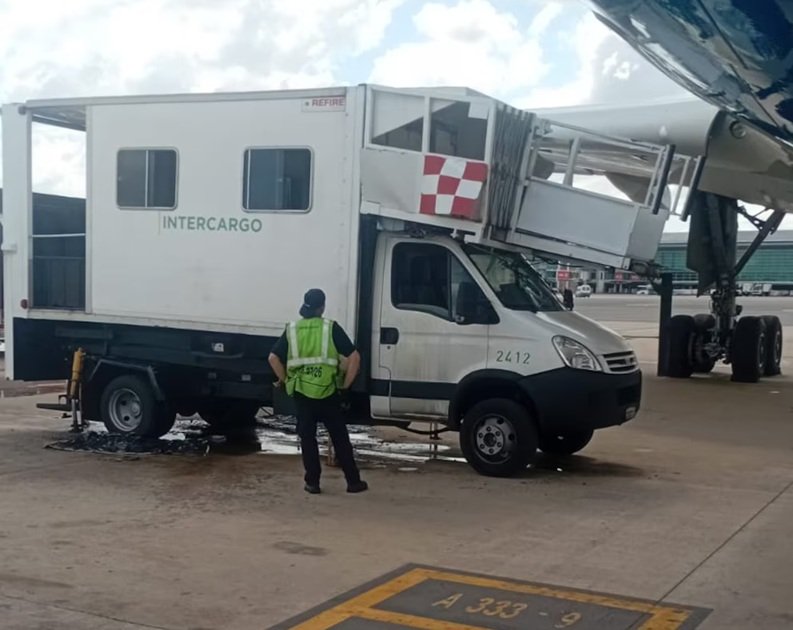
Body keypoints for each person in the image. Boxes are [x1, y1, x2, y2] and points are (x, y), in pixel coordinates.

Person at [268, 289, 368, 495]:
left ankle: (312, 482)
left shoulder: (292, 329)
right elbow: (355, 358)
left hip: (302, 393)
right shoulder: (330, 328)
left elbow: (273, 358)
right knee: (339, 437)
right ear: (322, 307)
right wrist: (346, 386)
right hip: (328, 391)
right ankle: (353, 482)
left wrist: (286, 380)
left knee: (307, 437)